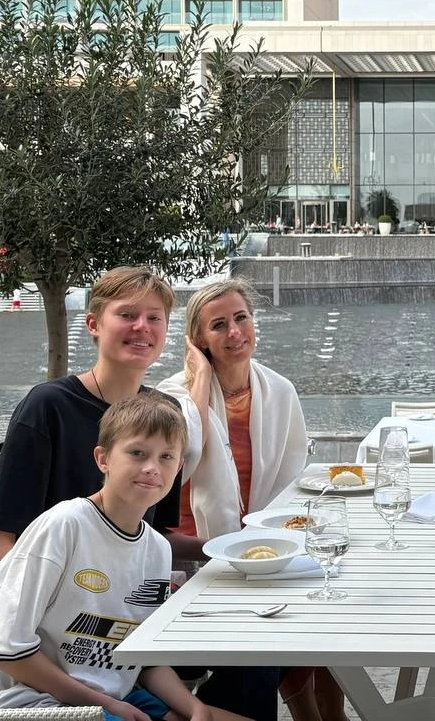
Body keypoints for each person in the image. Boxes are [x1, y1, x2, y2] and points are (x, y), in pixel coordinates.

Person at [0, 393, 248, 721]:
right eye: (137, 453)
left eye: (166, 457)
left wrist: (194, 707)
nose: (151, 468)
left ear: (178, 468)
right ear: (103, 459)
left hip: (116, 695)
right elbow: (5, 651)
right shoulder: (65, 526)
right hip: (34, 703)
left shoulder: (157, 550)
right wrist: (109, 705)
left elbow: (141, 655)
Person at [156, 280, 340, 721]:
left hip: (261, 546)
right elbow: (186, 451)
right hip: (188, 555)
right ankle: (311, 712)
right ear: (199, 341)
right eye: (218, 325)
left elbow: (292, 481)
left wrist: (278, 542)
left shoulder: (279, 391)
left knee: (324, 607)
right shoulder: (173, 395)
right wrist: (200, 378)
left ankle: (322, 713)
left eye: (241, 318)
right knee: (280, 629)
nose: (235, 331)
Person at [0, 265, 187, 583]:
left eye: (154, 317)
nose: (142, 327)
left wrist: (227, 549)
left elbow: (153, 536)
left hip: (124, 601)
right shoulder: (47, 408)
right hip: (52, 614)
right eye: (127, 315)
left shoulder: (165, 412)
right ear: (93, 324)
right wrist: (97, 591)